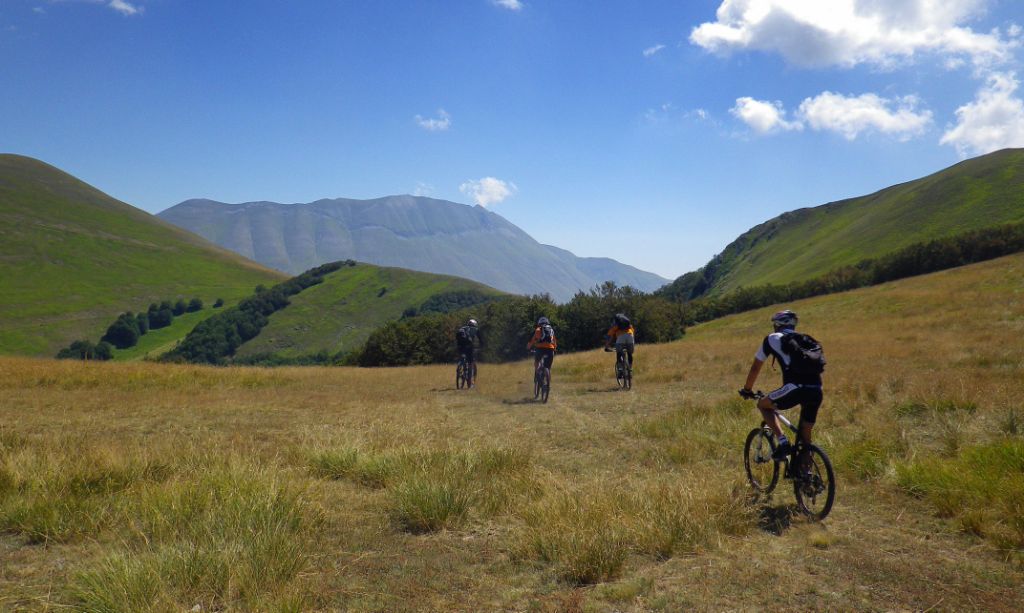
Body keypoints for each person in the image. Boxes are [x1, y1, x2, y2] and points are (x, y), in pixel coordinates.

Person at [739, 309, 824, 462]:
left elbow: (755, 368)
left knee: (763, 405)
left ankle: (783, 442)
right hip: (816, 389)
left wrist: (747, 389)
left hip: (795, 388)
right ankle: (806, 477)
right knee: (805, 438)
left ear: (777, 324)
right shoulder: (804, 340)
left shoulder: (772, 338)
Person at [455, 318, 484, 386]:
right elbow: (480, 339)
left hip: (460, 346)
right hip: (468, 346)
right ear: (475, 325)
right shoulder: (475, 329)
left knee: (462, 357)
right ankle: (469, 383)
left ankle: (460, 368)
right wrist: (482, 346)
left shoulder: (463, 329)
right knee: (471, 362)